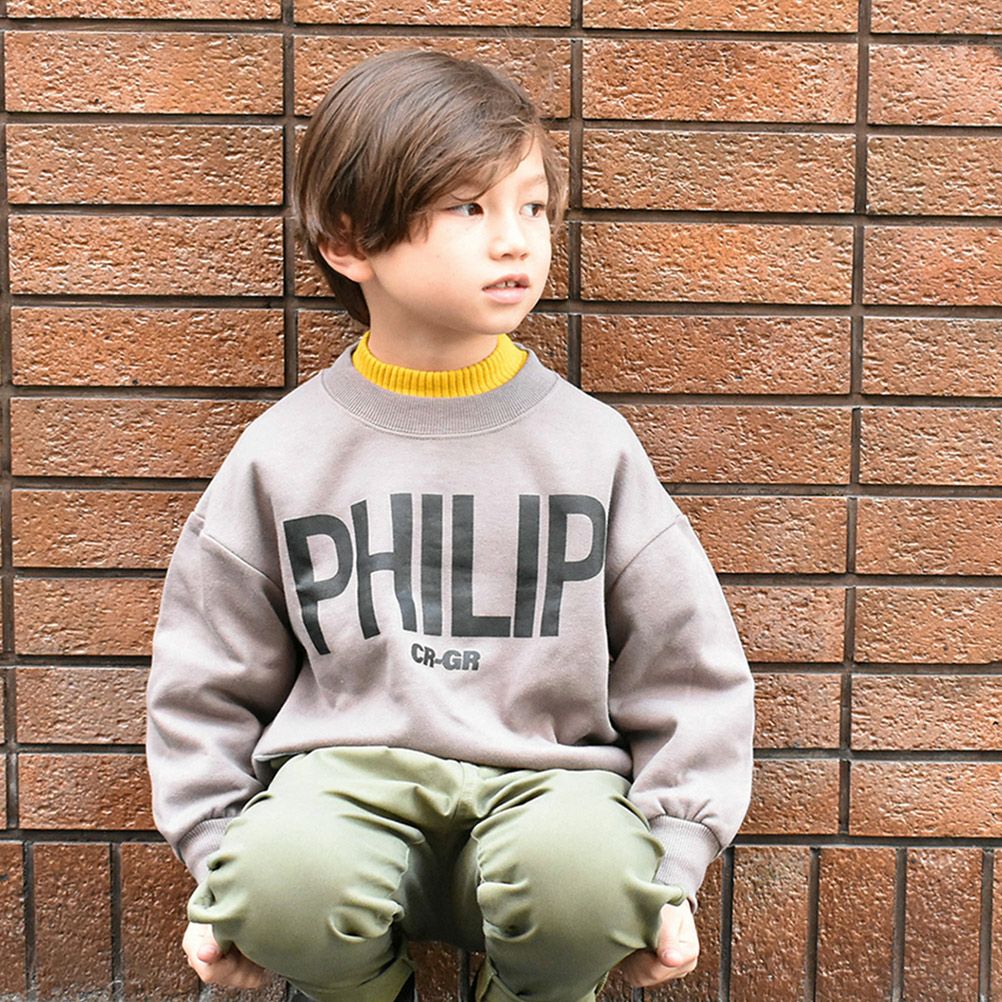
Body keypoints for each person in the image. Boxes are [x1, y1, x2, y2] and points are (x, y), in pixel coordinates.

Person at [146, 48, 754, 1002]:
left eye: (533, 207)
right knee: (282, 884)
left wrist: (671, 864)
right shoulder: (285, 452)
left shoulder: (589, 444)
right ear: (349, 240)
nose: (515, 241)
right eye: (469, 208)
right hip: (342, 791)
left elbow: (688, 667)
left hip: (552, 791)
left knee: (589, 879)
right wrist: (223, 865)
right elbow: (203, 678)